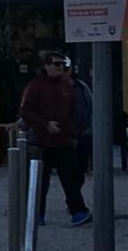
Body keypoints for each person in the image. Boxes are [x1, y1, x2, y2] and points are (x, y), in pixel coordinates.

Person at [19, 51, 92, 226]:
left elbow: (74, 111)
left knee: (71, 179)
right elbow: (25, 110)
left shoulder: (67, 86)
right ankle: (37, 214)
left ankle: (78, 211)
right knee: (40, 182)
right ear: (46, 66)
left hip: (64, 140)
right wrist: (44, 125)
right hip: (41, 141)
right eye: (57, 64)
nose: (61, 67)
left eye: (62, 64)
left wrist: (73, 131)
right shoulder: (35, 86)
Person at [68, 58, 94, 186]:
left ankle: (75, 197)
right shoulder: (50, 87)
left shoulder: (81, 87)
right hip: (63, 135)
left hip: (82, 134)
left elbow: (92, 106)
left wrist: (90, 129)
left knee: (80, 169)